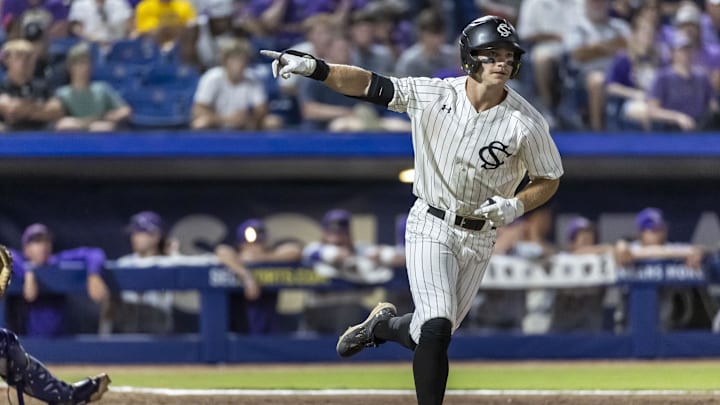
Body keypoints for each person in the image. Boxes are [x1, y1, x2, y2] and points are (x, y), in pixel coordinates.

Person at [262, 14, 563, 405]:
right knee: (437, 326)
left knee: (429, 333)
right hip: (431, 222)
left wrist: (516, 205)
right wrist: (315, 67)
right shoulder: (434, 95)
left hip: (481, 234)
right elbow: (368, 83)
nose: (501, 62)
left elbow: (549, 178)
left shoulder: (527, 122)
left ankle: (383, 327)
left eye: (507, 55)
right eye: (490, 54)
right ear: (470, 59)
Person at [0, 244, 112, 405]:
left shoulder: (55, 260)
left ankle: (66, 395)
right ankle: (67, 396)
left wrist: (27, 271)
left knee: (5, 344)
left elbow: (94, 253)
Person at [11, 223, 110, 337]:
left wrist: (94, 274)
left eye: (46, 241)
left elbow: (95, 253)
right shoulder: (21, 262)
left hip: (60, 339)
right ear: (26, 248)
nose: (43, 246)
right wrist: (27, 272)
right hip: (29, 341)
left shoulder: (57, 261)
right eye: (36, 241)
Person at [215, 218, 300, 334]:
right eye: (249, 244)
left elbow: (294, 250)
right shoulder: (235, 259)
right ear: (240, 244)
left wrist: (261, 258)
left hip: (268, 325)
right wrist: (247, 277)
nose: (254, 247)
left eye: (258, 243)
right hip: (239, 327)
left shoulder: (271, 257)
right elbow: (221, 251)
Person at [192, 37, 276, 130]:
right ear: (225, 61)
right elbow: (198, 110)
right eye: (235, 59)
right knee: (201, 123)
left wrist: (250, 117)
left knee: (272, 122)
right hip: (217, 123)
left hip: (244, 123)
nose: (240, 64)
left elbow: (262, 108)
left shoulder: (252, 78)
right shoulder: (212, 78)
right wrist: (227, 119)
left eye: (243, 59)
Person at [54, 42, 132, 131]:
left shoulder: (101, 88)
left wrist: (110, 118)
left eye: (87, 63)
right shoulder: (62, 93)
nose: (85, 67)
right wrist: (83, 124)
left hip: (99, 138)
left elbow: (126, 110)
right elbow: (59, 120)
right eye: (80, 63)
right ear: (70, 67)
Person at [0, 38, 64, 131]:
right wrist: (41, 109)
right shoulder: (2, 87)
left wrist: (24, 110)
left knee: (67, 124)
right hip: (11, 135)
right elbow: (11, 109)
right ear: (7, 60)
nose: (25, 62)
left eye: (29, 57)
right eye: (19, 56)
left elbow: (58, 111)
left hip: (43, 133)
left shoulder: (43, 86)